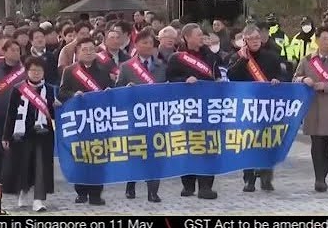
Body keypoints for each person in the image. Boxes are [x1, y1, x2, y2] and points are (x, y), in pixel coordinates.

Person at [166, 23, 221, 199]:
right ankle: (188, 185)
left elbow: (217, 75)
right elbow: (169, 79)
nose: (201, 38)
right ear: (187, 37)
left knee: (207, 147)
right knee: (187, 146)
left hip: (207, 109)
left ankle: (205, 186)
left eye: (201, 35)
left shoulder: (210, 56)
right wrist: (184, 79)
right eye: (197, 35)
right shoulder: (177, 58)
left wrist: (219, 81)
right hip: (185, 110)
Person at [227, 24, 284, 191]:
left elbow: (282, 74)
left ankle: (266, 178)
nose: (255, 41)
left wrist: (277, 80)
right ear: (244, 40)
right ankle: (249, 179)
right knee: (248, 142)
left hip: (267, 106)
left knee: (267, 141)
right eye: (251, 38)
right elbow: (231, 76)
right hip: (247, 106)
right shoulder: (237, 57)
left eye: (258, 38)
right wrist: (243, 59)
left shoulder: (271, 57)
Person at [293, 26, 328, 192]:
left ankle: (324, 172)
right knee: (316, 142)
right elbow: (294, 78)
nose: (327, 42)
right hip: (313, 107)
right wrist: (304, 79)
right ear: (317, 41)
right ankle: (319, 178)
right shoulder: (307, 60)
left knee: (326, 142)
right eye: (324, 39)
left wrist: (324, 85)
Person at [58, 37, 113, 205]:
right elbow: (62, 93)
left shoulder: (104, 70)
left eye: (91, 49)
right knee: (80, 156)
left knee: (98, 157)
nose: (89, 53)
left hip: (98, 121)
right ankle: (81, 192)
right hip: (79, 121)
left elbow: (110, 91)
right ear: (77, 52)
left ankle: (96, 194)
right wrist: (73, 95)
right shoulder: (70, 71)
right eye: (84, 50)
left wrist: (110, 91)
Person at [115, 29, 166, 203]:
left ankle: (153, 190)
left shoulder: (161, 66)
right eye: (144, 42)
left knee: (155, 153)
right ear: (136, 45)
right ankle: (131, 184)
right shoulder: (127, 66)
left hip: (156, 117)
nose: (148, 46)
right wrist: (126, 89)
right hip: (135, 118)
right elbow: (117, 90)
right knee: (135, 152)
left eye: (151, 43)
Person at [2, 56, 56, 211]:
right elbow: (11, 114)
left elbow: (52, 114)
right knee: (23, 165)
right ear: (27, 72)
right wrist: (6, 136)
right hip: (22, 134)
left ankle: (38, 199)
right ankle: (23, 192)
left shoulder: (50, 90)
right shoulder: (18, 89)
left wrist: (55, 106)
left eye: (39, 70)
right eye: (33, 70)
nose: (36, 73)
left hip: (43, 134)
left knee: (41, 167)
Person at [0, 39, 25, 181]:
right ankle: (1, 175)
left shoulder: (25, 70)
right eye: (12, 50)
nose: (16, 53)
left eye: (18, 50)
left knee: (17, 146)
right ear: (4, 52)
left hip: (19, 113)